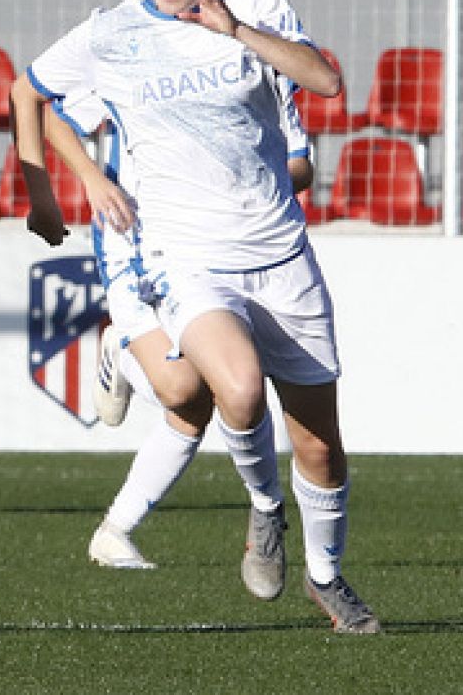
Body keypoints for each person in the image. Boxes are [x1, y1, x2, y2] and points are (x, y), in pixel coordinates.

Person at [9, 0, 380, 634]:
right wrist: (50, 189)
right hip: (188, 257)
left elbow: (326, 80)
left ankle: (327, 578)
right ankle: (265, 512)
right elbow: (31, 90)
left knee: (318, 445)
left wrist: (235, 28)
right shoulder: (112, 33)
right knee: (233, 390)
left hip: (279, 253)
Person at [28, 87, 313, 573]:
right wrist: (93, 180)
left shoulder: (252, 67)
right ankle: (123, 347)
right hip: (134, 243)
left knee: (198, 398)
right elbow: (51, 117)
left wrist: (249, 188)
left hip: (217, 250)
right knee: (183, 389)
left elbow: (301, 164)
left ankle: (114, 531)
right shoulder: (137, 53)